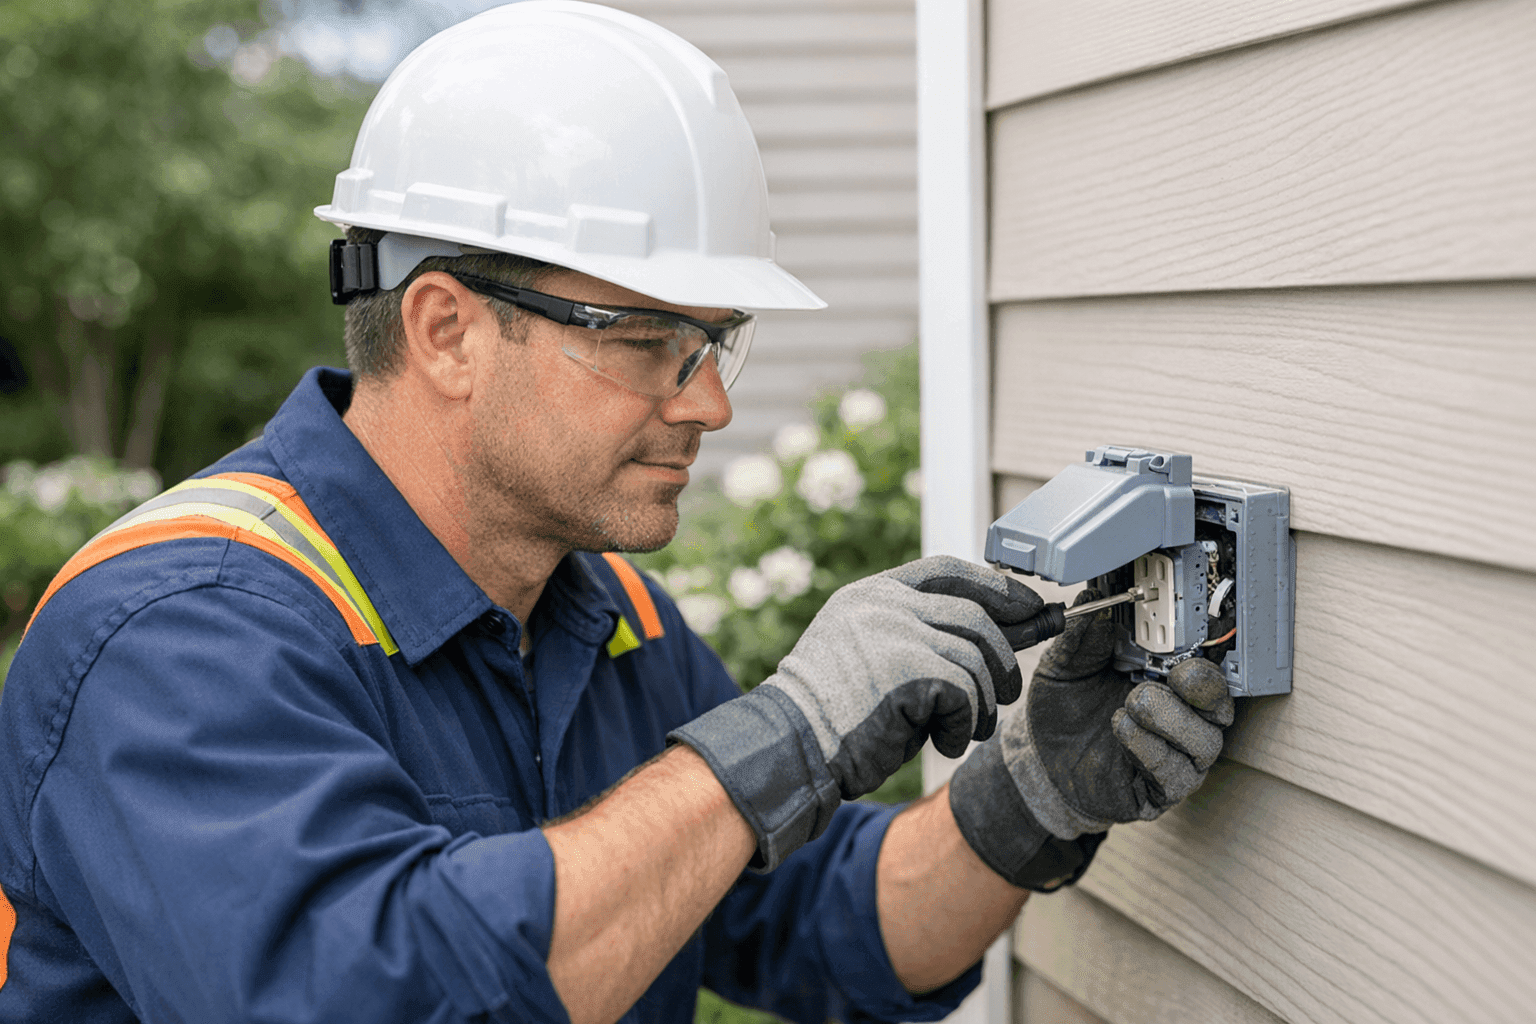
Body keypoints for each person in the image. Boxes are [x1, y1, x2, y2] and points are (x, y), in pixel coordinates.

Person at [0, 4, 1233, 1022]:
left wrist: (1027, 801)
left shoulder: (607, 619)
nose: (708, 403)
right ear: (446, 332)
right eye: (648, 340)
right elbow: (377, 995)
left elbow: (811, 922)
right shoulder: (176, 632)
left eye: (715, 343)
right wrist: (778, 740)